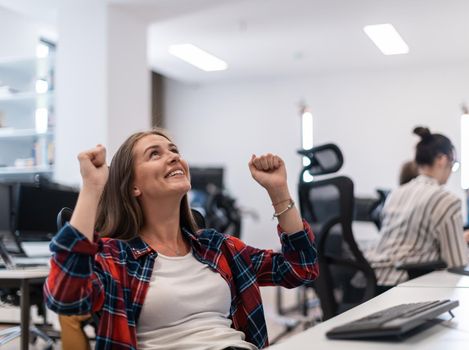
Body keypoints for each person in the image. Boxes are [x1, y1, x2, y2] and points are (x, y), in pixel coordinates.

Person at [44, 129, 319, 350]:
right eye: (155, 154)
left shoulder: (216, 247)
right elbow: (66, 298)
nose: (174, 157)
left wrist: (278, 191)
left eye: (174, 151)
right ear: (133, 186)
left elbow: (301, 268)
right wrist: (92, 188)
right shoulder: (115, 257)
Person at [366, 126, 469, 286]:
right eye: (453, 164)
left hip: (374, 282)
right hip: (405, 285)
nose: (451, 171)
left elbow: (411, 241)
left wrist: (459, 239)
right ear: (442, 160)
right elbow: (457, 263)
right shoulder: (446, 200)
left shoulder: (396, 193)